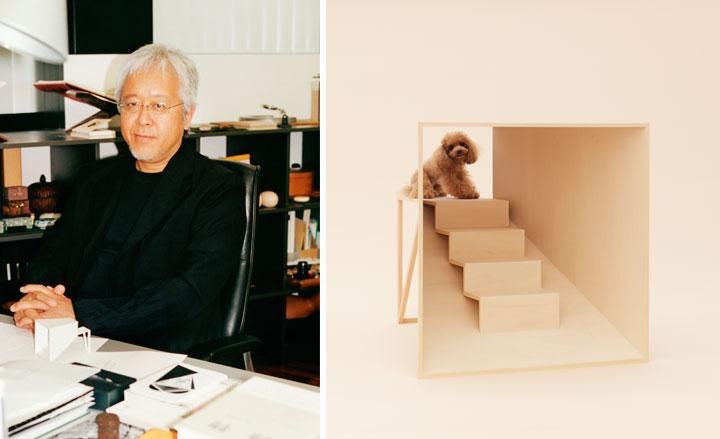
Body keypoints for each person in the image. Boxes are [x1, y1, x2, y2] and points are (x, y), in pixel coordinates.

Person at [9, 44, 245, 353]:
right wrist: (36, 298)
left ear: (187, 115)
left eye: (158, 106)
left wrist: (80, 313)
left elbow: (185, 294)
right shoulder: (96, 178)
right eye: (132, 104)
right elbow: (56, 251)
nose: (142, 119)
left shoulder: (217, 190)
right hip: (73, 337)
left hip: (160, 348)